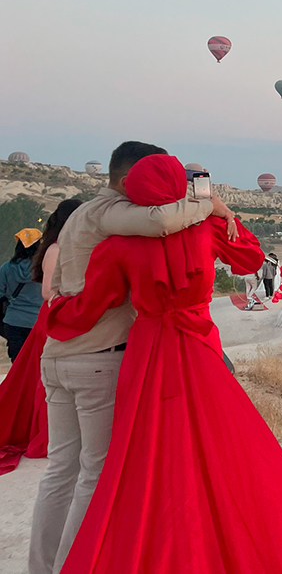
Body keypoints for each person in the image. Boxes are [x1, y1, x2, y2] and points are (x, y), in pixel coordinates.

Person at [45, 155, 282, 574]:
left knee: (147, 455)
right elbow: (250, 258)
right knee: (222, 446)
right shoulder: (207, 226)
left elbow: (91, 306)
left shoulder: (117, 244)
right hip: (200, 346)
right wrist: (223, 212)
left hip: (149, 353)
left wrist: (54, 310)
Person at [29, 141, 238, 574]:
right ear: (128, 181)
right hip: (97, 355)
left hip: (58, 356)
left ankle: (43, 565)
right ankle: (72, 566)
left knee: (60, 472)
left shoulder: (79, 216)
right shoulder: (112, 214)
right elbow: (163, 222)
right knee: (94, 474)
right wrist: (210, 203)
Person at [0, 202, 81, 476]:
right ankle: (46, 433)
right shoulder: (56, 249)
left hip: (36, 320)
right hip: (51, 318)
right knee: (42, 380)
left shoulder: (68, 246)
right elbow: (48, 291)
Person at [1, 228, 44, 361]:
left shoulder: (6, 268)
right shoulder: (44, 269)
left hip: (14, 322)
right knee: (37, 365)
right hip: (39, 323)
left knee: (18, 365)